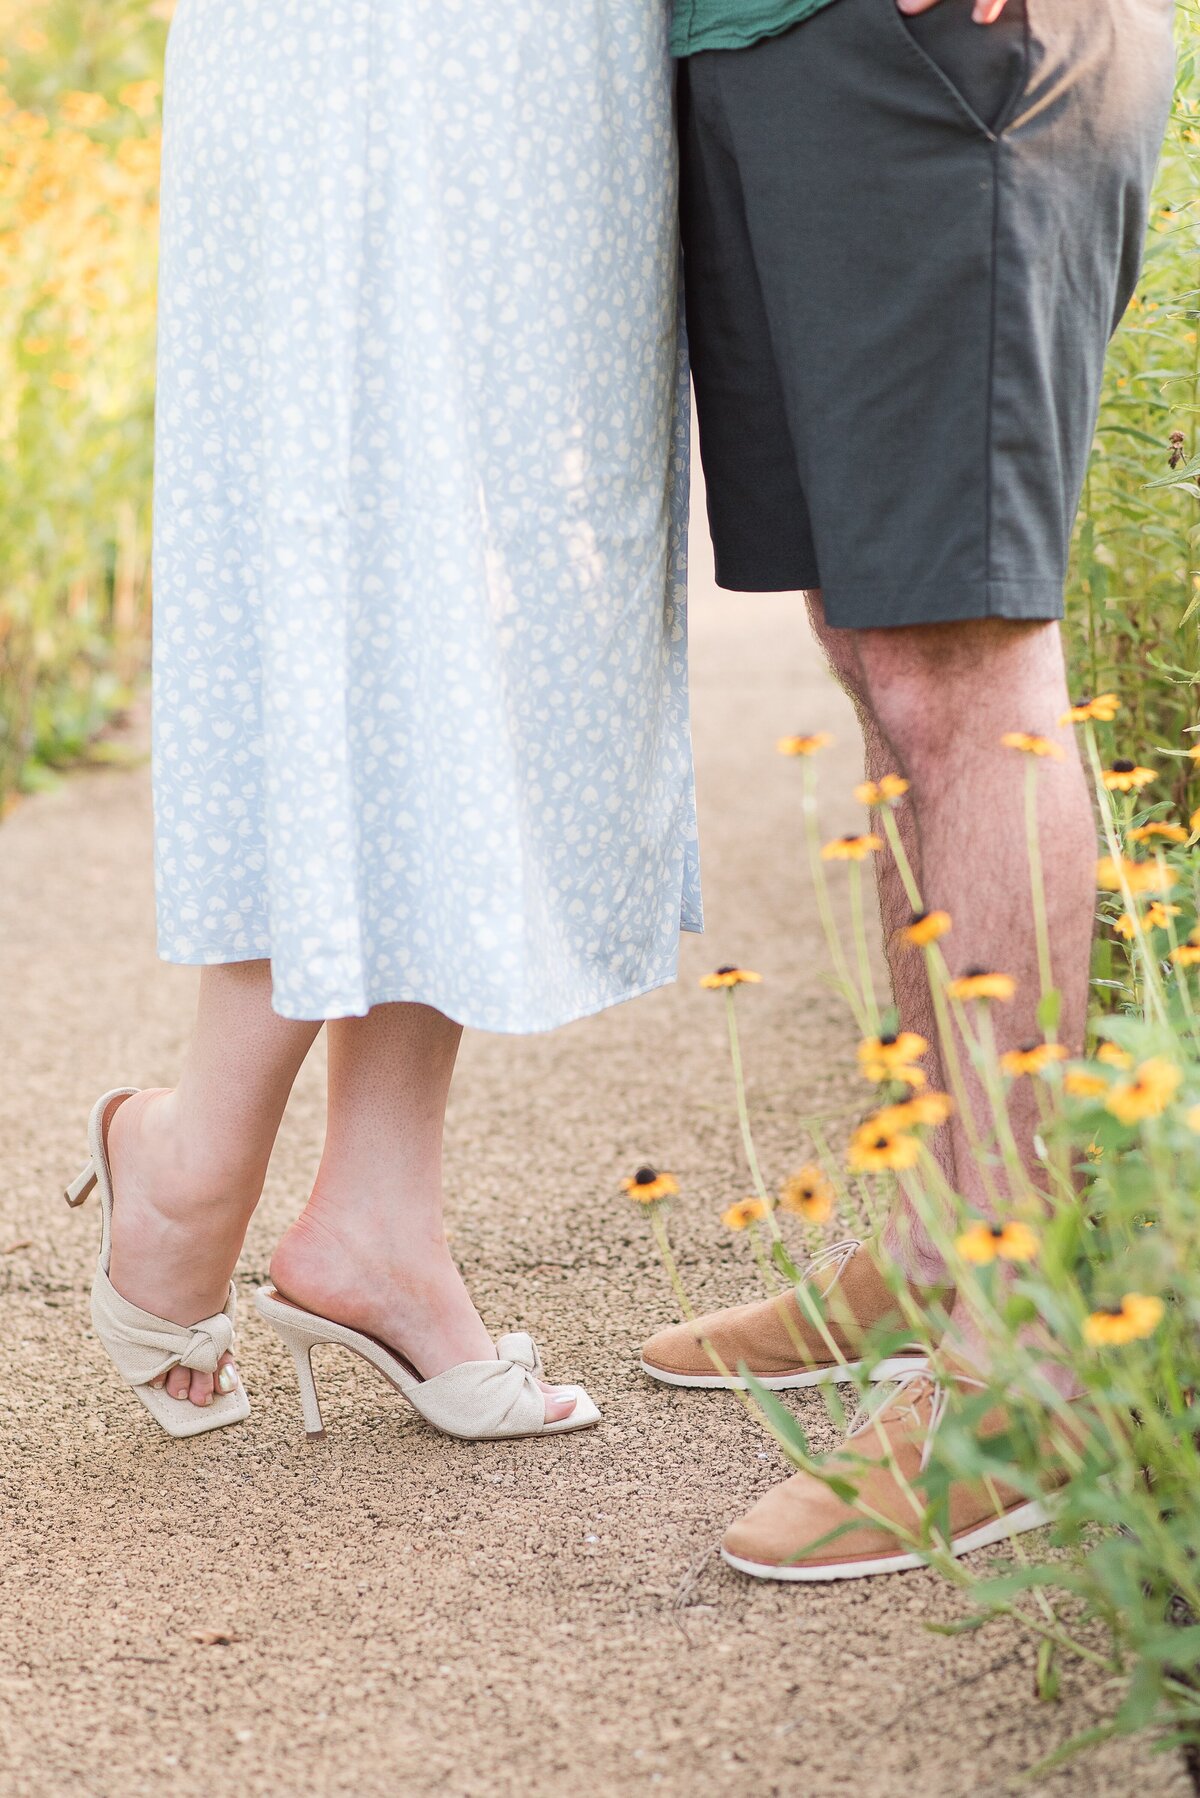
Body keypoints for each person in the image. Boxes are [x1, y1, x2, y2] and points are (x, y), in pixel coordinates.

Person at [65, 0, 700, 1443]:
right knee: (335, 529)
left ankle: (373, 1208)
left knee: (499, 583)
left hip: (565, 54)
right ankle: (197, 1159)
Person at [641, 0, 1176, 1576]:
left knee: (960, 654)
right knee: (879, 646)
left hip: (936, 47)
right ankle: (943, 1244)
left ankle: (1022, 1378)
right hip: (769, 42)